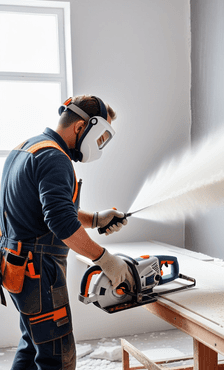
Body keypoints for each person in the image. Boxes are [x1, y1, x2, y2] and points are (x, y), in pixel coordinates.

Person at [0, 95, 133, 370]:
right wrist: (105, 259)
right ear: (80, 127)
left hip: (16, 267)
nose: (99, 146)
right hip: (39, 274)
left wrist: (96, 219)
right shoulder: (54, 158)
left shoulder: (26, 148)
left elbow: (45, 211)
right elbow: (61, 224)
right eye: (100, 138)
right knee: (57, 357)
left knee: (33, 343)